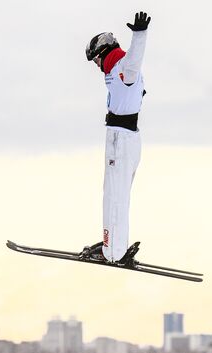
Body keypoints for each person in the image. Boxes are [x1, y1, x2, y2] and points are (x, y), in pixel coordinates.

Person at [80, 11, 151, 263]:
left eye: (95, 60)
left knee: (113, 196)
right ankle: (115, 245)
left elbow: (133, 61)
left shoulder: (123, 68)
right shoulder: (116, 71)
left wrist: (140, 35)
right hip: (128, 138)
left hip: (120, 140)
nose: (96, 66)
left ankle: (112, 252)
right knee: (118, 195)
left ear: (102, 53)